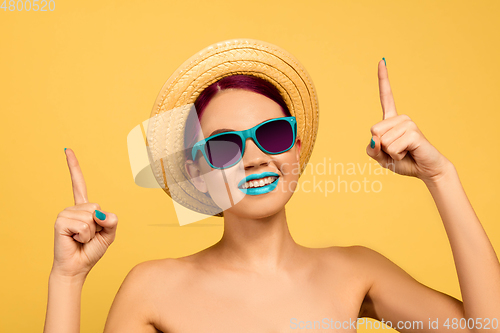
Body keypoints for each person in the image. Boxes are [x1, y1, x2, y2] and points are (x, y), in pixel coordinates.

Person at [43, 40, 500, 333]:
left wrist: (441, 177)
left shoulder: (356, 271)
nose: (256, 156)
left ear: (296, 148)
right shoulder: (153, 287)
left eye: (272, 134)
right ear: (199, 171)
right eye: (224, 146)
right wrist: (67, 278)